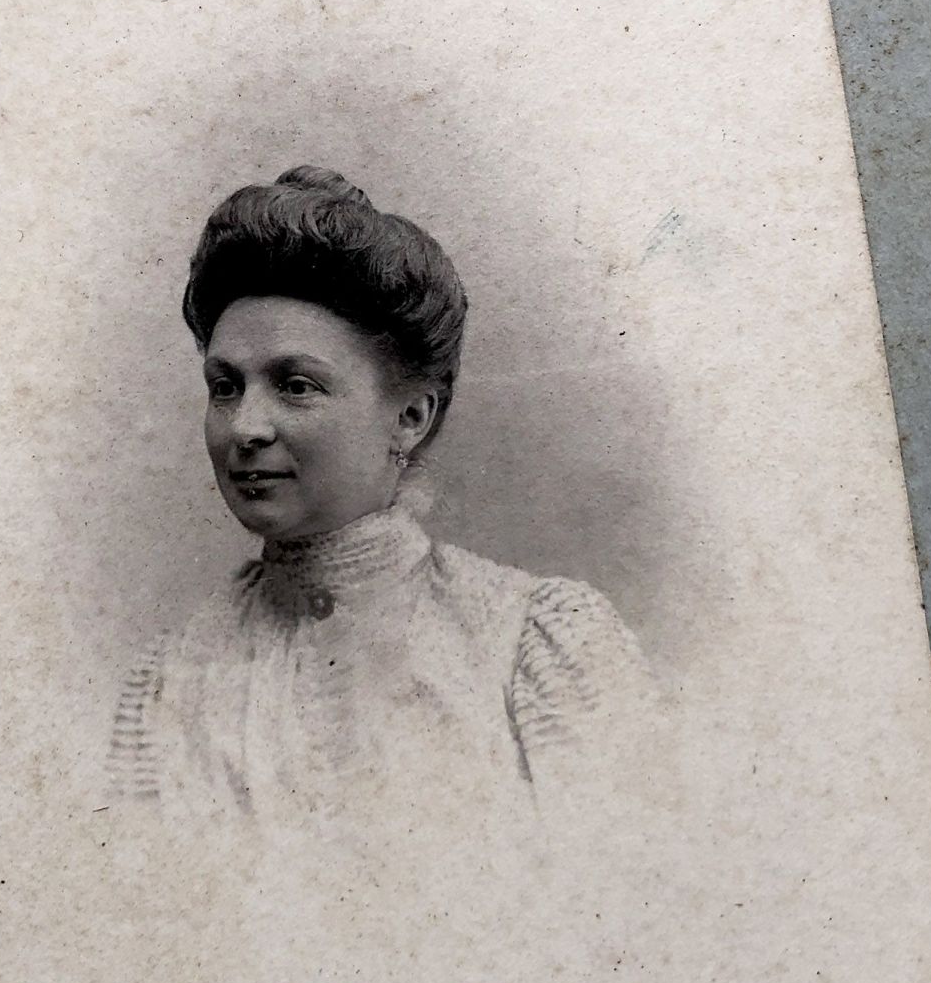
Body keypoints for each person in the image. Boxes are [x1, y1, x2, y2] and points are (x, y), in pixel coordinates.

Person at [107, 166, 655, 837]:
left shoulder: (530, 643)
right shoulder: (168, 684)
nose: (245, 426)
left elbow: (632, 907)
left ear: (411, 416)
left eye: (296, 385)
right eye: (225, 386)